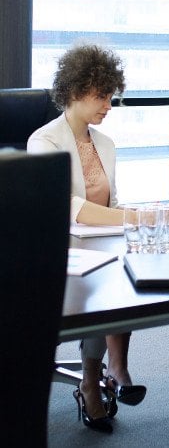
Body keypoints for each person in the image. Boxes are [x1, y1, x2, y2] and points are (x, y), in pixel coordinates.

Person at [28, 44, 146, 434]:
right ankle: (95, 379)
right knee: (102, 287)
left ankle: (105, 372)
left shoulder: (106, 144)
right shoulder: (43, 141)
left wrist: (132, 216)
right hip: (56, 252)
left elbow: (111, 201)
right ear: (74, 93)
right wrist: (131, 217)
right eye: (100, 96)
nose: (108, 105)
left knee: (127, 275)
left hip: (99, 246)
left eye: (111, 95)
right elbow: (70, 206)